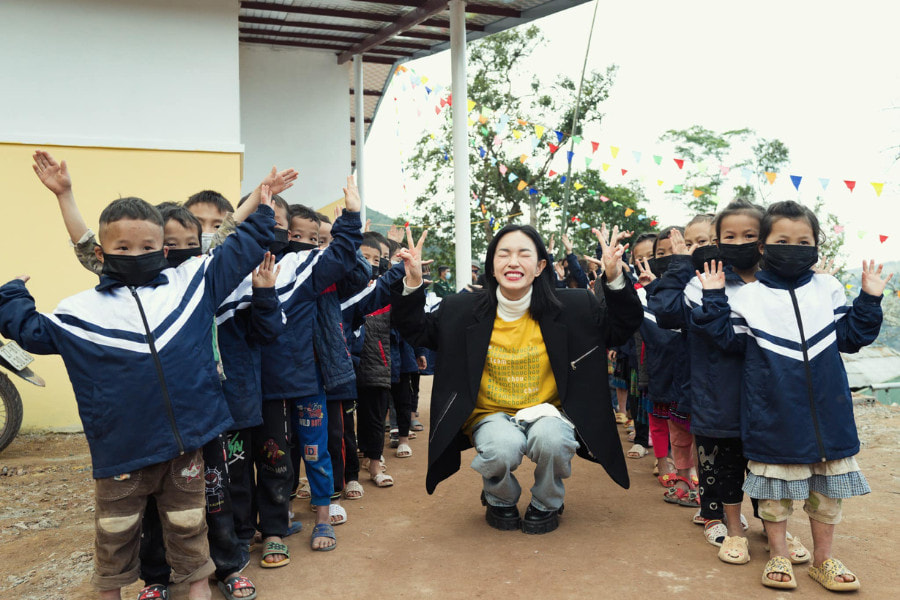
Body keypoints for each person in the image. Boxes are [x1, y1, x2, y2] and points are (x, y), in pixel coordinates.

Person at [0, 187, 276, 600]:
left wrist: (266, 211)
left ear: (163, 250)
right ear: (100, 253)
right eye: (123, 246)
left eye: (147, 245)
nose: (135, 253)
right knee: (115, 545)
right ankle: (149, 583)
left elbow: (241, 248)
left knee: (191, 539)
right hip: (122, 457)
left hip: (187, 449)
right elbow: (29, 331)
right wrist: (12, 295)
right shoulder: (80, 311)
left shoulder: (192, 283)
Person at [391, 223, 642, 534]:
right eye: (503, 254)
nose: (513, 262)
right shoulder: (461, 308)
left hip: (548, 412)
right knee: (501, 448)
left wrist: (615, 276)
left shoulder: (574, 306)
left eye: (524, 254)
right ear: (492, 266)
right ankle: (499, 498)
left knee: (553, 441)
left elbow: (621, 328)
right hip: (489, 414)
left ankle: (547, 503)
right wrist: (413, 281)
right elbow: (415, 330)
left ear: (539, 267)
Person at [693, 200, 888, 591]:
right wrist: (714, 297)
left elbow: (850, 338)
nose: (794, 247)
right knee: (775, 495)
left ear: (816, 246)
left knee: (828, 495)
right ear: (763, 246)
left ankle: (824, 560)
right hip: (772, 415)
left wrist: (869, 299)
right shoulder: (748, 297)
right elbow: (726, 341)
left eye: (804, 241)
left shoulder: (828, 287)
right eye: (783, 240)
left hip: (829, 417)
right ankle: (779, 554)